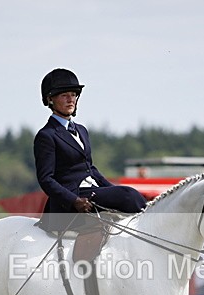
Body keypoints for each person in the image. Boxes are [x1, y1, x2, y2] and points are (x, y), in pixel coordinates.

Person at [34, 68, 146, 230]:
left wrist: (112, 189)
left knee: (130, 195)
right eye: (65, 95)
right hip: (73, 200)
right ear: (50, 99)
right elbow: (46, 179)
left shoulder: (81, 130)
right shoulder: (47, 135)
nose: (70, 100)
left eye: (73, 95)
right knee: (129, 195)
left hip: (91, 191)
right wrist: (74, 200)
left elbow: (90, 169)